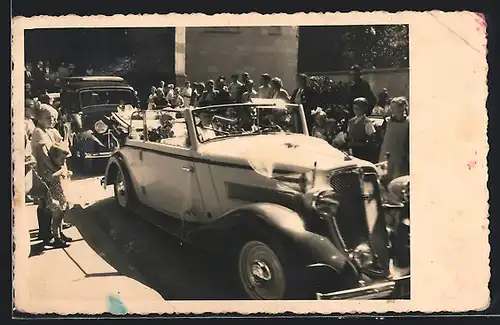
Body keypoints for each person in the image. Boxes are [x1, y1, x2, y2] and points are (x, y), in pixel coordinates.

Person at [31, 104, 73, 248]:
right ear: (39, 118)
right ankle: (49, 234)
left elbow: (61, 146)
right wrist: (56, 168)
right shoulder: (39, 132)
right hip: (47, 172)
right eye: (48, 118)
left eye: (54, 118)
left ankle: (56, 232)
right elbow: (43, 155)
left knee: (57, 204)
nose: (52, 120)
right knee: (52, 205)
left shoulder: (50, 131)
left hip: (54, 172)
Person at [378, 97, 410, 181]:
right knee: (384, 176)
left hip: (401, 155)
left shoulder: (408, 122)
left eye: (400, 108)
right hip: (387, 153)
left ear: (404, 108)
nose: (397, 110)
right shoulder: (387, 121)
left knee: (399, 179)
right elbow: (381, 135)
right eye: (395, 108)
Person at [345, 97, 377, 162]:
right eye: (354, 108)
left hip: (362, 151)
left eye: (358, 108)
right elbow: (348, 135)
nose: (356, 110)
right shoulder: (351, 121)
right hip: (351, 149)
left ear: (364, 109)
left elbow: (372, 138)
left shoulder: (367, 122)